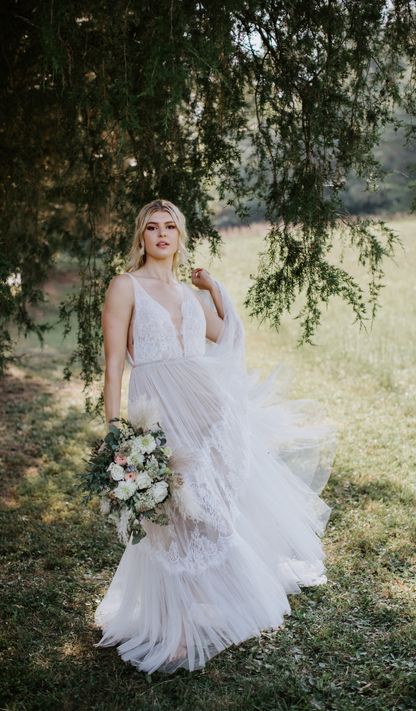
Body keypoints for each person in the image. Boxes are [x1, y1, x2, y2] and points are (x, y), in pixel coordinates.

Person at [94, 198, 337, 674]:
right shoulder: (125, 286)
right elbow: (113, 365)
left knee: (213, 511)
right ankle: (180, 626)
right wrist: (114, 432)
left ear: (180, 237)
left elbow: (227, 338)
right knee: (170, 515)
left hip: (209, 413)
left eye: (170, 227)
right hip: (158, 410)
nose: (161, 235)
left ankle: (208, 599)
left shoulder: (189, 293)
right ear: (140, 237)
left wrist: (214, 289)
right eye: (152, 228)